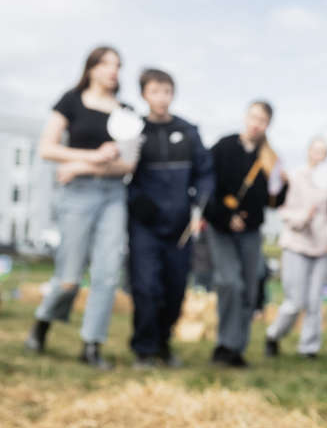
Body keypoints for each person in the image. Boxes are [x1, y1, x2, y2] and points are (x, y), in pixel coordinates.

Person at [24, 46, 137, 369]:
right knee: (69, 276)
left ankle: (91, 345)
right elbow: (47, 148)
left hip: (113, 195)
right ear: (91, 68)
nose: (113, 70)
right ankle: (42, 323)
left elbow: (128, 164)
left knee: (107, 273)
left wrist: (81, 166)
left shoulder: (126, 112)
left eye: (118, 65)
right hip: (78, 195)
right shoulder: (71, 101)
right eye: (106, 64)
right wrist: (91, 157)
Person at [126, 68, 214, 368]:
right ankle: (144, 349)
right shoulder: (134, 131)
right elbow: (123, 174)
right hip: (145, 226)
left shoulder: (188, 131)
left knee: (175, 288)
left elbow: (205, 174)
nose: (161, 98)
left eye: (166, 91)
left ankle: (163, 342)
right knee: (146, 286)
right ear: (144, 95)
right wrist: (136, 201)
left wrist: (198, 206)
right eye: (155, 92)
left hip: (180, 226)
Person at [202, 100, 279, 368]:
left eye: (262, 120)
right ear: (246, 117)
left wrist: (282, 186)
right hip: (221, 228)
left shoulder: (268, 157)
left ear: (268, 125)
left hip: (251, 231)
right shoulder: (224, 147)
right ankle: (224, 344)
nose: (256, 124)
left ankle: (237, 348)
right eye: (254, 117)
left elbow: (272, 199)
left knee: (248, 287)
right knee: (230, 283)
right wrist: (225, 216)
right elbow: (208, 186)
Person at [264, 137, 327, 358]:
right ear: (308, 152)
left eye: (323, 151)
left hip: (323, 246)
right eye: (316, 150)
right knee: (295, 301)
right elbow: (282, 210)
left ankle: (309, 347)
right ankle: (273, 335)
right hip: (296, 243)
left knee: (314, 301)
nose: (319, 155)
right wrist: (303, 218)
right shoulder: (294, 177)